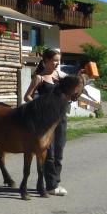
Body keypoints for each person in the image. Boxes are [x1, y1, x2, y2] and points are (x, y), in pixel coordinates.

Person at [24, 48, 68, 196]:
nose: (57, 63)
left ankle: (56, 182)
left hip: (60, 120)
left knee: (59, 151)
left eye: (58, 60)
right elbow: (27, 97)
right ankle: (50, 185)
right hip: (46, 122)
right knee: (49, 153)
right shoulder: (39, 78)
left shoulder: (59, 76)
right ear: (46, 61)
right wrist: (40, 107)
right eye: (55, 60)